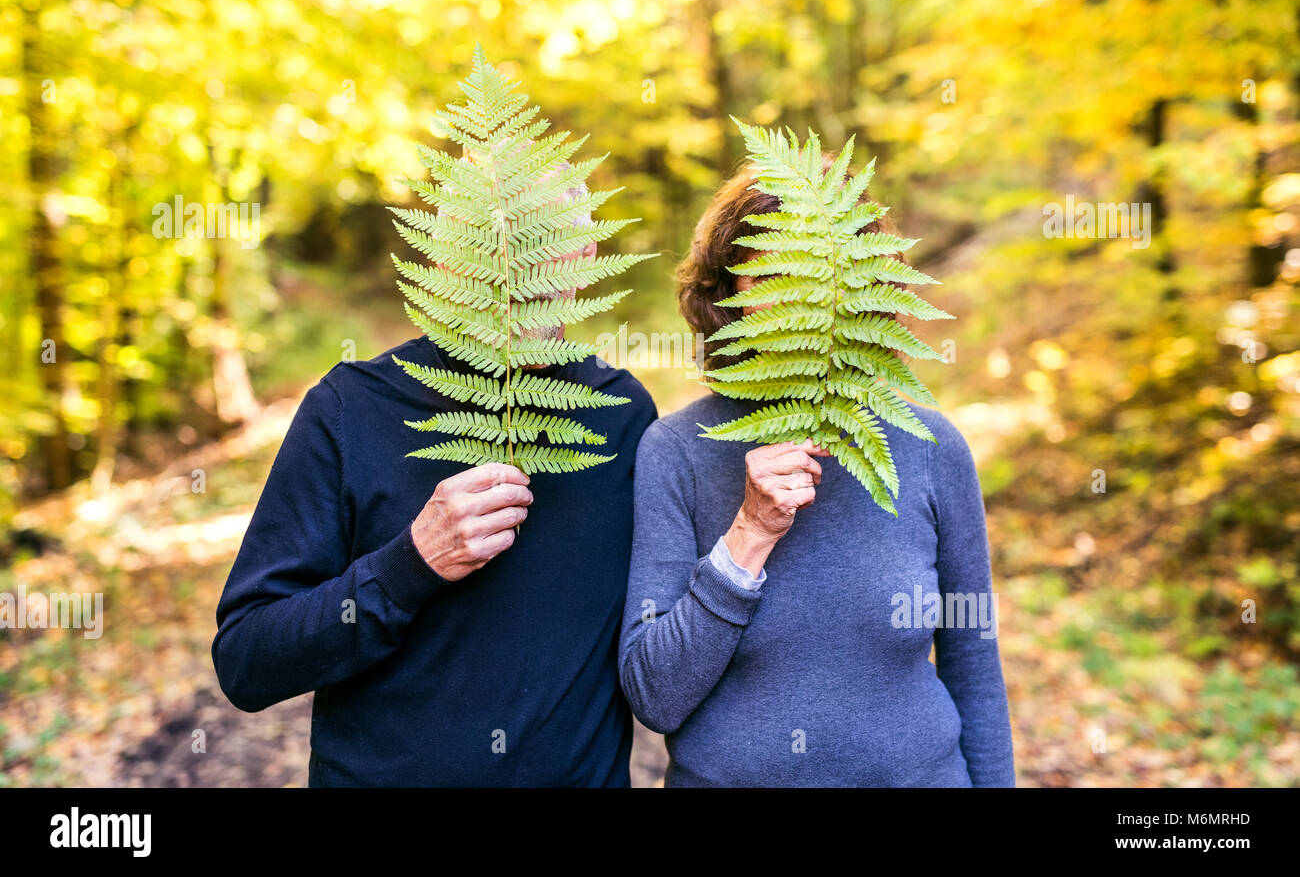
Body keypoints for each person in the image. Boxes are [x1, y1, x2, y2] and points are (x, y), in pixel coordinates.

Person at [213, 196, 657, 786]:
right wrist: (410, 564)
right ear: (443, 258)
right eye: (492, 242)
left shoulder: (623, 416)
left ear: (585, 255)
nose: (514, 266)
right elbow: (247, 661)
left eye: (539, 242)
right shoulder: (350, 409)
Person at [618, 163, 1015, 786]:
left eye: (818, 276)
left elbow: (975, 668)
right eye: (772, 273)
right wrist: (748, 535)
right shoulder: (675, 452)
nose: (798, 298)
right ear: (729, 294)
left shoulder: (932, 448)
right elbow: (654, 696)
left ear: (863, 288)